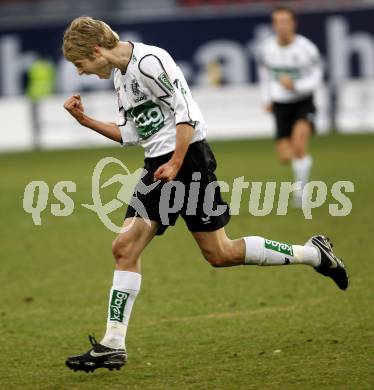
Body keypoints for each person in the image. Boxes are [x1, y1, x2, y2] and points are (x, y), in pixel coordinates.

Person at [62, 16, 348, 373]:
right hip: (159, 164)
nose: (81, 72)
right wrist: (85, 121)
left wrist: (177, 161)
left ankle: (313, 255)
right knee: (125, 248)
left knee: (220, 253)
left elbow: (187, 112)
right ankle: (113, 344)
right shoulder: (122, 78)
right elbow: (133, 133)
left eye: (80, 64)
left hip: (187, 159)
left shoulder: (150, 62)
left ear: (95, 50)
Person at [257, 6, 323, 207]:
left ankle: (301, 193)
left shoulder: (307, 49)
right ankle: (301, 176)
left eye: (286, 21)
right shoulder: (267, 49)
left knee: (299, 145)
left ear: (293, 23)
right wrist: (266, 99)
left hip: (303, 102)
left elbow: (317, 77)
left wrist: (296, 86)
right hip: (280, 105)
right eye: (278, 22)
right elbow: (265, 76)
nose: (282, 26)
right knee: (286, 156)